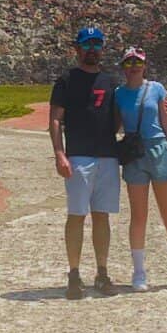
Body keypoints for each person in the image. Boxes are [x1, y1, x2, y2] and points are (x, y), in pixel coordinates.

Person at [114, 47, 167, 292]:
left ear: (144, 65)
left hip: (158, 149)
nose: (134, 67)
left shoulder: (156, 89)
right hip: (134, 153)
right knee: (139, 216)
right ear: (123, 67)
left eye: (137, 63)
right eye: (129, 63)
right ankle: (139, 271)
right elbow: (115, 124)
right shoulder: (118, 94)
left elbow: (166, 122)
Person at [49, 26, 119, 299]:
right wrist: (59, 153)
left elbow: (118, 117)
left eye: (97, 44)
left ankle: (102, 272)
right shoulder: (66, 80)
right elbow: (55, 119)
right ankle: (74, 273)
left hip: (107, 156)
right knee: (77, 215)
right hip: (79, 156)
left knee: (102, 216)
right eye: (87, 44)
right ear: (77, 48)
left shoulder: (110, 81)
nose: (92, 49)